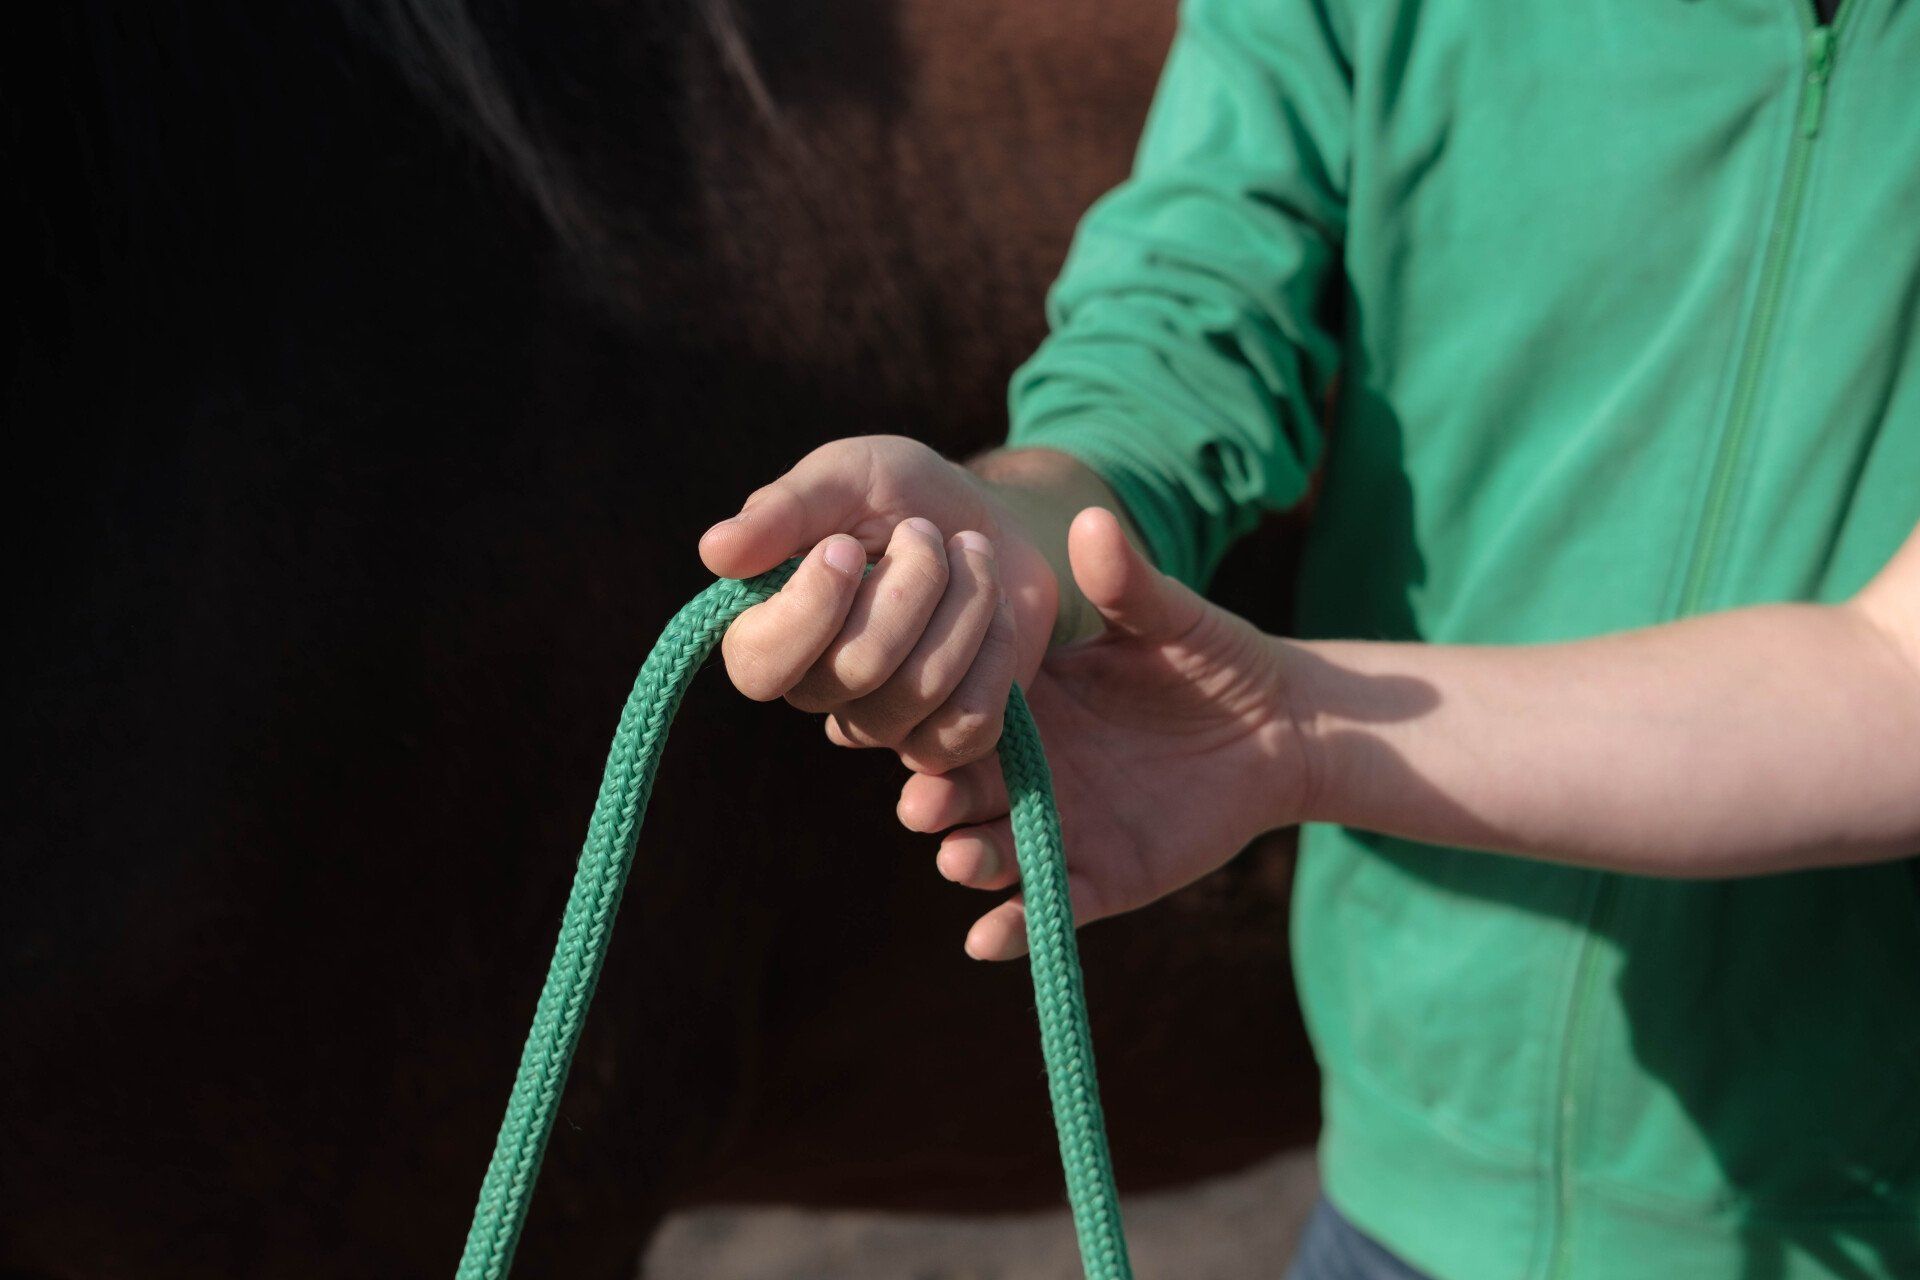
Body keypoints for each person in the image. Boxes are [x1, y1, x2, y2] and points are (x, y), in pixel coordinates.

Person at [697, 0, 1920, 1275]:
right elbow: (1189, 308)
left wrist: (1294, 725)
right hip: (1395, 1196)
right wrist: (1023, 529)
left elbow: (1901, 676)